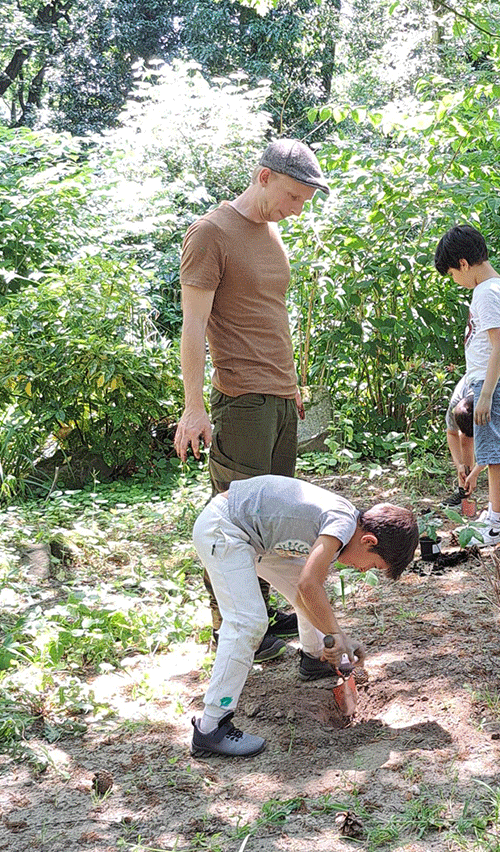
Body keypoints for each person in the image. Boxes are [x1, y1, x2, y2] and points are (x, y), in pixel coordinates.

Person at [174, 138, 330, 658]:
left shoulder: (271, 234)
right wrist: (194, 407)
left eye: (304, 201)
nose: (296, 209)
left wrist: (291, 387)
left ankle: (262, 613)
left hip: (280, 399)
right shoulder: (210, 233)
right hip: (240, 400)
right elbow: (193, 327)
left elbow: (270, 316)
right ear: (264, 177)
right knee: (236, 517)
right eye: (292, 196)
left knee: (275, 516)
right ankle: (233, 625)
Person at [190, 475, 419, 758]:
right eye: (372, 564)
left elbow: (308, 588)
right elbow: (308, 585)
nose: (363, 570)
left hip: (254, 537)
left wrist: (336, 641)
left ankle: (315, 658)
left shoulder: (345, 524)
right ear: (369, 540)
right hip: (224, 528)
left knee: (309, 592)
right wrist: (338, 637)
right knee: (248, 623)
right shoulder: (342, 523)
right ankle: (211, 727)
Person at [434, 225, 500, 546]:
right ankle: (494, 511)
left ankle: (499, 524)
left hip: (493, 382)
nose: (455, 281)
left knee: (494, 452)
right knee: (496, 446)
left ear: (463, 264)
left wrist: (486, 394)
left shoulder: (485, 292)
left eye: (452, 274)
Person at [445, 385, 500, 510]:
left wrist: (476, 472)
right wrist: (459, 465)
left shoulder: (498, 407)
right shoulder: (456, 405)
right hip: (480, 392)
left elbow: (498, 447)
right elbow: (452, 434)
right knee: (465, 439)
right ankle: (464, 489)